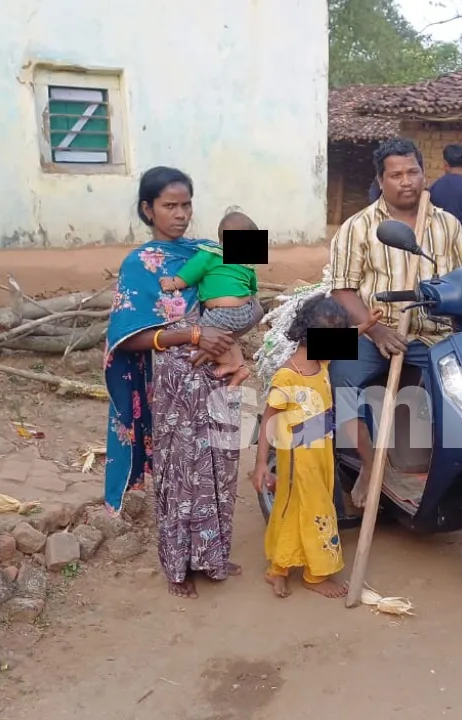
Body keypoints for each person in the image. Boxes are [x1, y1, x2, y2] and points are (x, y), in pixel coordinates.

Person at [103, 166, 244, 600]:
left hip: (220, 373)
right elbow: (126, 338)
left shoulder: (207, 249)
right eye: (169, 206)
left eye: (186, 205)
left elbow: (247, 287)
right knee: (180, 472)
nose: (180, 214)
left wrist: (235, 340)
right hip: (173, 381)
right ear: (148, 209)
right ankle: (177, 565)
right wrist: (191, 333)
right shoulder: (139, 263)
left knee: (221, 465)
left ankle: (213, 554)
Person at [328, 137, 462, 507]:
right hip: (371, 329)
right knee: (336, 375)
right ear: (381, 181)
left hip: (434, 333)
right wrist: (375, 328)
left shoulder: (446, 225)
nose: (406, 181)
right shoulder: (359, 226)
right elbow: (341, 290)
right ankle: (369, 463)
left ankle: (455, 470)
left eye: (413, 171)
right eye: (395, 175)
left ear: (425, 173)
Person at [252, 295, 384, 599]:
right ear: (307, 334)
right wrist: (261, 464)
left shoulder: (321, 360)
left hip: (322, 453)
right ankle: (316, 575)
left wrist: (367, 324)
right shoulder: (287, 376)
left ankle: (278, 569)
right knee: (319, 510)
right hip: (299, 460)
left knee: (292, 509)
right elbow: (269, 422)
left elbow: (348, 337)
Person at [158, 211, 264, 387]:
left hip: (224, 312)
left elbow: (192, 271)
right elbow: (252, 288)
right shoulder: (246, 265)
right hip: (245, 311)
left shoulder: (210, 255)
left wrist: (175, 282)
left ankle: (229, 363)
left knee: (204, 336)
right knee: (225, 336)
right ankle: (240, 366)